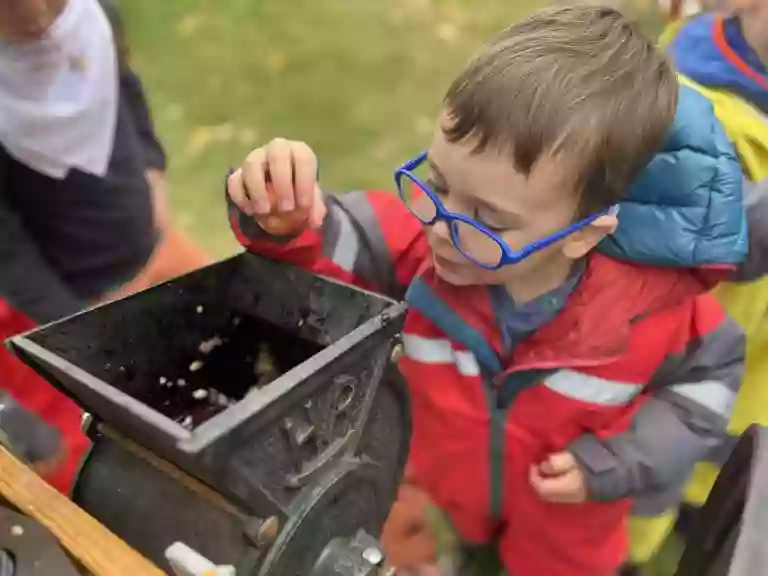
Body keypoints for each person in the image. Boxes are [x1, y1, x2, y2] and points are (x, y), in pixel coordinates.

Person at [225, 6, 747, 575]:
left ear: (583, 235)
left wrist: (615, 462)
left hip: (566, 526)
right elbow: (333, 239)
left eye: (488, 220)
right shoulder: (417, 251)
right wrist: (285, 216)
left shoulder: (652, 315)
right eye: (440, 184)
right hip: (448, 489)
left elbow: (707, 386)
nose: (442, 228)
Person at [0, 0, 210, 493]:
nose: (35, 13)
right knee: (150, 446)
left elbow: (125, 88)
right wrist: (85, 333)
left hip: (162, 249)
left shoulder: (94, 18)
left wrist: (153, 171)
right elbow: (9, 256)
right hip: (88, 301)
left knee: (244, 364)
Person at [625, 1, 768, 572]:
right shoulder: (684, 103)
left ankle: (705, 511)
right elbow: (709, 231)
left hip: (749, 355)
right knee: (643, 479)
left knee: (726, 457)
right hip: (672, 356)